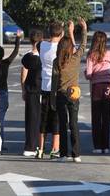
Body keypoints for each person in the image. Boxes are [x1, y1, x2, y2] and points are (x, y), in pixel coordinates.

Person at [36, 22, 73, 159]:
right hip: (57, 87)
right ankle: (55, 149)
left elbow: (43, 41)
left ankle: (40, 149)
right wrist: (68, 31)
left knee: (44, 120)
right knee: (57, 120)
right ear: (61, 33)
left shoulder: (41, 46)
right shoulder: (61, 48)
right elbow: (70, 46)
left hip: (44, 87)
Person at [51, 18, 87, 162]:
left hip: (60, 94)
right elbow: (82, 46)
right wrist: (83, 29)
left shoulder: (56, 62)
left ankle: (63, 154)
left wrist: (53, 98)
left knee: (62, 124)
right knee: (74, 123)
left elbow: (54, 82)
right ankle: (76, 154)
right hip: (74, 94)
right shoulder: (75, 58)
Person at [21, 30, 43, 157]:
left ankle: (30, 145)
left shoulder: (27, 57)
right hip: (41, 90)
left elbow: (23, 73)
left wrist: (23, 89)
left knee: (30, 119)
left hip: (30, 90)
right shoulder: (43, 57)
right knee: (41, 120)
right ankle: (39, 146)